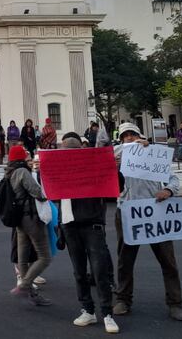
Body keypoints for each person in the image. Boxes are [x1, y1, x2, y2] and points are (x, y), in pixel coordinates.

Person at [113, 122, 182, 321]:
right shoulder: (117, 156)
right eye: (125, 136)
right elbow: (100, 166)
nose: (129, 138)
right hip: (128, 212)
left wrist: (168, 191)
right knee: (125, 260)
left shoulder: (155, 155)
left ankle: (175, 303)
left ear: (140, 136)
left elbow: (174, 180)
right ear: (121, 140)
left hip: (156, 212)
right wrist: (120, 157)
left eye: (132, 134)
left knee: (168, 260)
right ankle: (123, 299)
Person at [53, 134, 119, 333]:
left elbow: (117, 187)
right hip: (69, 225)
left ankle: (107, 313)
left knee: (99, 272)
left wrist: (113, 168)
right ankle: (88, 310)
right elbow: (48, 191)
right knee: (79, 272)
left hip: (91, 225)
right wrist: (39, 171)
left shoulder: (92, 168)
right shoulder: (59, 170)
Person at [6, 145, 52, 306]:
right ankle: (25, 286)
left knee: (22, 257)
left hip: (19, 220)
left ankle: (31, 293)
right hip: (31, 218)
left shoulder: (9, 172)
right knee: (45, 256)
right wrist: (47, 194)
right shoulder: (22, 172)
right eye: (26, 156)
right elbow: (37, 192)